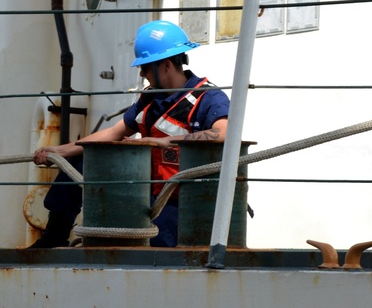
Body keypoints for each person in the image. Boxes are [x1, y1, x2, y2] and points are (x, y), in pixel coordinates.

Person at [29, 20, 230, 248]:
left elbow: (223, 133)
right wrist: (61, 151)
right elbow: (114, 132)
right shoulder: (149, 99)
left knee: (158, 249)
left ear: (166, 66)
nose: (143, 75)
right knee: (84, 158)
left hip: (184, 203)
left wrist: (165, 141)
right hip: (145, 195)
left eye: (145, 68)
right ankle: (54, 235)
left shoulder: (208, 98)